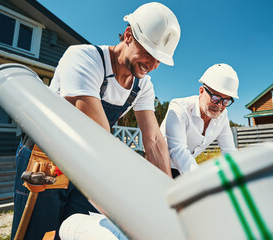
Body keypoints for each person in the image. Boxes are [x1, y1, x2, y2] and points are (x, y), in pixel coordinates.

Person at [11, 2, 181, 240]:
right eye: (150, 53)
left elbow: (153, 140)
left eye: (159, 59)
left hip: (86, 164)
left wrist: (170, 200)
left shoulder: (143, 86)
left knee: (80, 231)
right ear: (129, 35)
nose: (152, 65)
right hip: (46, 159)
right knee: (39, 235)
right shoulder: (84, 58)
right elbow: (96, 135)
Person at [160, 64, 239, 178]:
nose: (219, 105)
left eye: (225, 101)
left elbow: (229, 151)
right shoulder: (179, 107)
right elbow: (178, 150)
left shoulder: (223, 116)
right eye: (215, 98)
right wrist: (200, 179)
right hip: (159, 165)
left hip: (187, 169)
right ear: (201, 91)